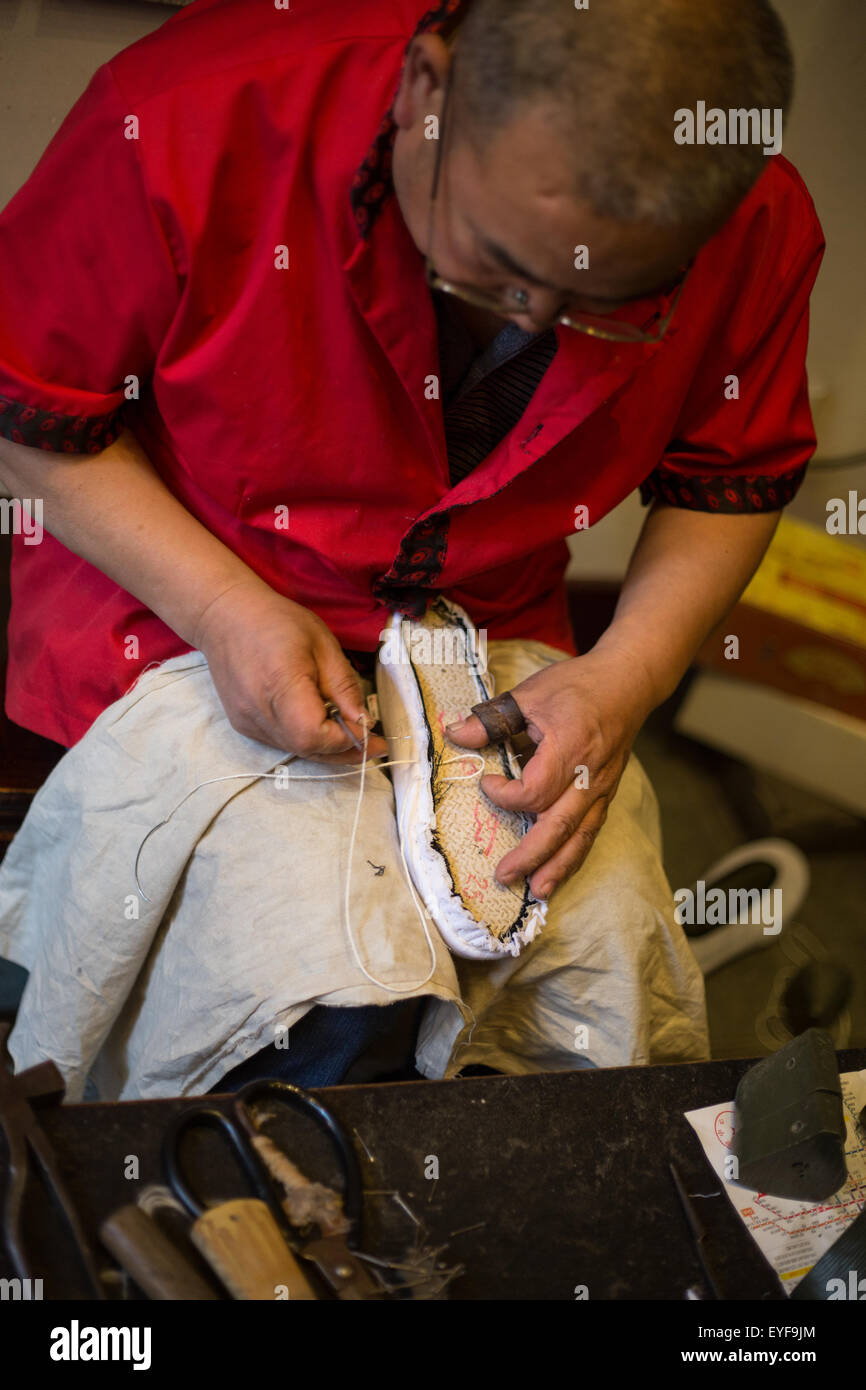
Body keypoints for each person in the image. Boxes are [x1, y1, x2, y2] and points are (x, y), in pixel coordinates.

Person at [0, 0, 824, 1098]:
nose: (534, 324)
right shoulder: (179, 120)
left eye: (606, 305)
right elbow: (30, 411)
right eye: (494, 269)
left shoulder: (747, 210)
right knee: (320, 1007)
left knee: (598, 965)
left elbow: (728, 478)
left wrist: (624, 681)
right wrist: (221, 609)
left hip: (489, 627)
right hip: (181, 591)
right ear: (426, 89)